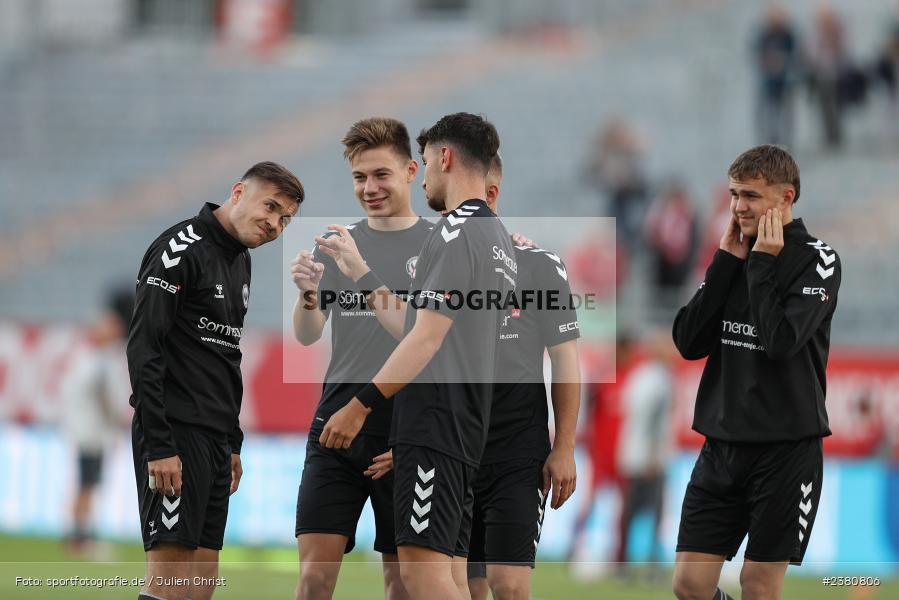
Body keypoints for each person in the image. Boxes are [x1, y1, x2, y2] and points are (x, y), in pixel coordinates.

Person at [317, 112, 516, 600]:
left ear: (444, 158)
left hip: (433, 424)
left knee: (423, 581)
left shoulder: (452, 233)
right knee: (450, 576)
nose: (425, 174)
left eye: (425, 162)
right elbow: (418, 323)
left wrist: (360, 403)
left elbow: (423, 339)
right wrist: (363, 275)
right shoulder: (499, 240)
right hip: (467, 428)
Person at [127, 162, 304, 600]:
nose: (275, 224)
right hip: (175, 434)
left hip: (213, 440)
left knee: (201, 584)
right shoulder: (179, 248)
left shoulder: (240, 260)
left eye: (285, 219)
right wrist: (160, 444)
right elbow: (144, 348)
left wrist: (232, 441)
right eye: (271, 207)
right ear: (239, 191)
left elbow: (225, 355)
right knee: (168, 581)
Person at [671, 145, 841, 600]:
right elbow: (688, 342)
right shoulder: (734, 254)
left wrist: (762, 265)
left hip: (785, 453)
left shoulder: (818, 261)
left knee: (759, 588)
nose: (739, 206)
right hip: (722, 446)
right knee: (689, 585)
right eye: (734, 194)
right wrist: (726, 264)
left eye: (751, 195)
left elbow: (782, 342)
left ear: (785, 198)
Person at [290, 117, 429, 600]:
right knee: (313, 579)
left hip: (404, 430)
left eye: (381, 175)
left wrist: (362, 273)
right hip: (335, 425)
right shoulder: (337, 244)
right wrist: (309, 295)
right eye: (359, 177)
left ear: (411, 171)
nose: (369, 188)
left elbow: (414, 331)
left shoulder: (438, 247)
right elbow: (309, 334)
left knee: (402, 584)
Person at [466, 154, 581, 600]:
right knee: (459, 587)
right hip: (452, 447)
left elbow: (566, 361)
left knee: (510, 587)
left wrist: (565, 446)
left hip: (517, 453)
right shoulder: (435, 264)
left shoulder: (537, 265)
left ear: (491, 194)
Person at [60, 287, 133, 552]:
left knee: (86, 483)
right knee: (87, 484)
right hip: (92, 432)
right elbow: (103, 397)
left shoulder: (90, 357)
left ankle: (79, 533)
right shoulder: (96, 361)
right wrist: (115, 419)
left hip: (87, 431)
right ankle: (80, 537)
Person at [614, 330, 675, 580]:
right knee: (653, 513)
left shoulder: (639, 374)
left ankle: (623, 564)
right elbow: (652, 420)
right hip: (649, 459)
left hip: (632, 454)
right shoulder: (659, 378)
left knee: (631, 511)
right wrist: (652, 456)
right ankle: (650, 565)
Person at [753, 5, 799, 147]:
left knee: (786, 116)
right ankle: (768, 142)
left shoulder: (788, 36)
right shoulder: (764, 37)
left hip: (785, 81)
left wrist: (783, 63)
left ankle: (786, 143)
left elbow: (796, 56)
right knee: (767, 115)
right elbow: (758, 56)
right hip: (768, 83)